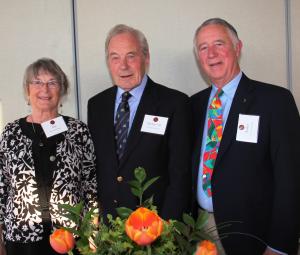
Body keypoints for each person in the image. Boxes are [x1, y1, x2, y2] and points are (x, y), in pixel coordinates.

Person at [191, 18, 300, 255]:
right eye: (203, 47)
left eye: (219, 44)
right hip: (200, 233)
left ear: (237, 48)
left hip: (255, 236)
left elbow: (291, 179)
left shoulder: (275, 101)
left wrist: (279, 246)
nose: (211, 54)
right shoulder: (193, 105)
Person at [88, 24, 191, 221]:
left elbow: (180, 175)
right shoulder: (96, 105)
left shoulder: (174, 103)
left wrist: (167, 227)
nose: (123, 65)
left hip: (155, 227)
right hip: (110, 228)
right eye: (115, 57)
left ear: (146, 57)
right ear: (108, 62)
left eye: (131, 56)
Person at [0, 58, 98, 255]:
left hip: (70, 238)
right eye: (37, 82)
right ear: (27, 91)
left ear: (61, 90)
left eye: (52, 82)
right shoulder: (11, 133)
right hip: (22, 239)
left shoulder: (78, 131)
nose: (44, 89)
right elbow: (1, 187)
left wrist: (93, 235)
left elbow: (91, 186)